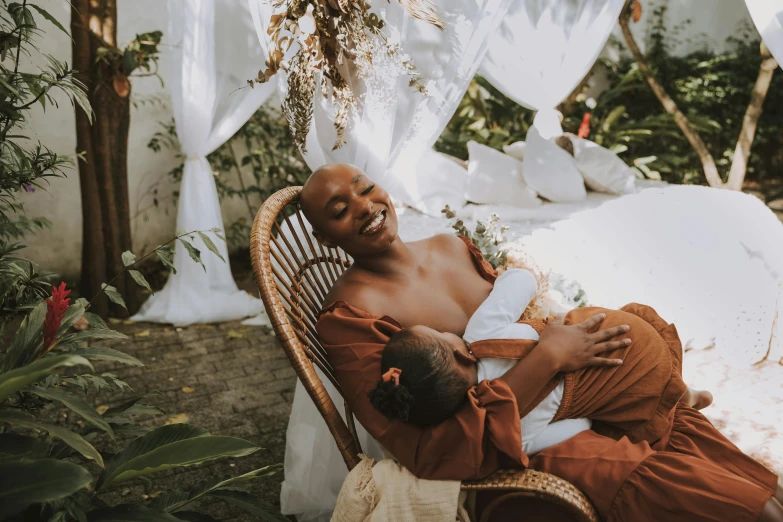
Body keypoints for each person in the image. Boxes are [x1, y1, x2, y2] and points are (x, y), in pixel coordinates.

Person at [299, 163, 782, 521]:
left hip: (571, 396)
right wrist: (550, 355)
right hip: (517, 447)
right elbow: (429, 450)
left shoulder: (448, 245)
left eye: (365, 188)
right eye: (340, 211)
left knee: (733, 470)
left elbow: (516, 318)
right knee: (742, 506)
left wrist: (566, 337)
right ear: (324, 238)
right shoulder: (351, 317)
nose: (364, 207)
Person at [368, 268, 712, 456]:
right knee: (581, 326)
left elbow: (581, 428)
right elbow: (522, 280)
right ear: (458, 351)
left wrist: (577, 406)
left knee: (623, 400)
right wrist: (501, 275)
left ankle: (687, 397)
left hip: (632, 387)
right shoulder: (479, 335)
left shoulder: (513, 430)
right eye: (439, 332)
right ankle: (689, 393)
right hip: (622, 331)